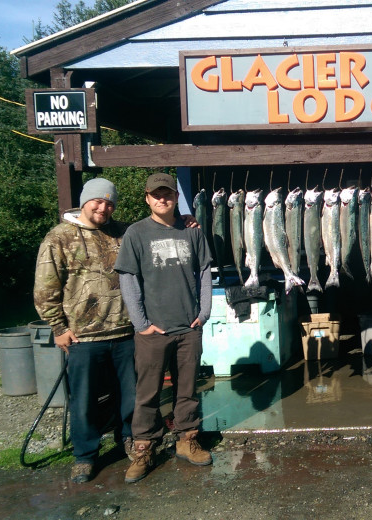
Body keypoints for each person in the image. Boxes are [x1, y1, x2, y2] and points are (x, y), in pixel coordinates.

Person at [34, 178, 136, 484]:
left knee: (131, 395)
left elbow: (155, 230)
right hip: (83, 336)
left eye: (109, 203)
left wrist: (186, 219)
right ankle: (85, 455)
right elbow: (45, 287)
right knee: (84, 398)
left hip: (125, 331)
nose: (103, 208)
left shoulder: (122, 233)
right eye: (97, 201)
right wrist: (58, 327)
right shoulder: (60, 237)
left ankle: (129, 439)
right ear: (84, 201)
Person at [115, 172, 213, 484]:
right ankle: (144, 447)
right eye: (156, 194)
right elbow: (127, 278)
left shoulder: (191, 230)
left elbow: (205, 270)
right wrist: (140, 323)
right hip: (153, 331)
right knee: (147, 392)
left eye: (168, 194)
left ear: (175, 197)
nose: (162, 199)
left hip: (188, 326)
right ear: (147, 198)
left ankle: (187, 439)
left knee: (187, 388)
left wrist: (205, 311)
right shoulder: (136, 233)